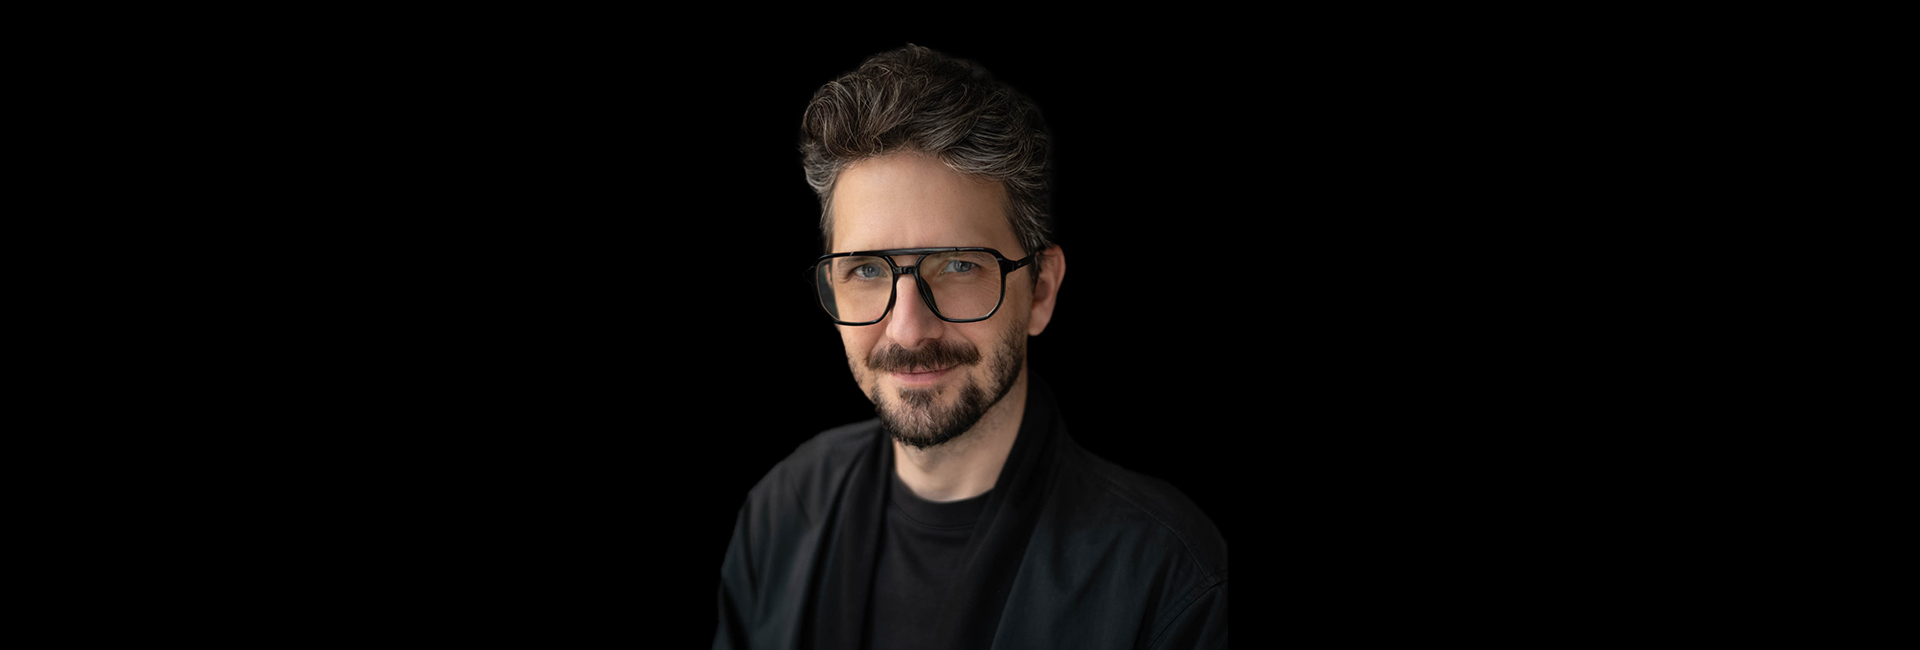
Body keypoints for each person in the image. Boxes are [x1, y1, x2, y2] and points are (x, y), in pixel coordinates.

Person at [714, 44, 1228, 650]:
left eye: (958, 265)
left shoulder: (1173, 580)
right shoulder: (781, 510)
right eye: (867, 271)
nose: (907, 330)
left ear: (1040, 290)